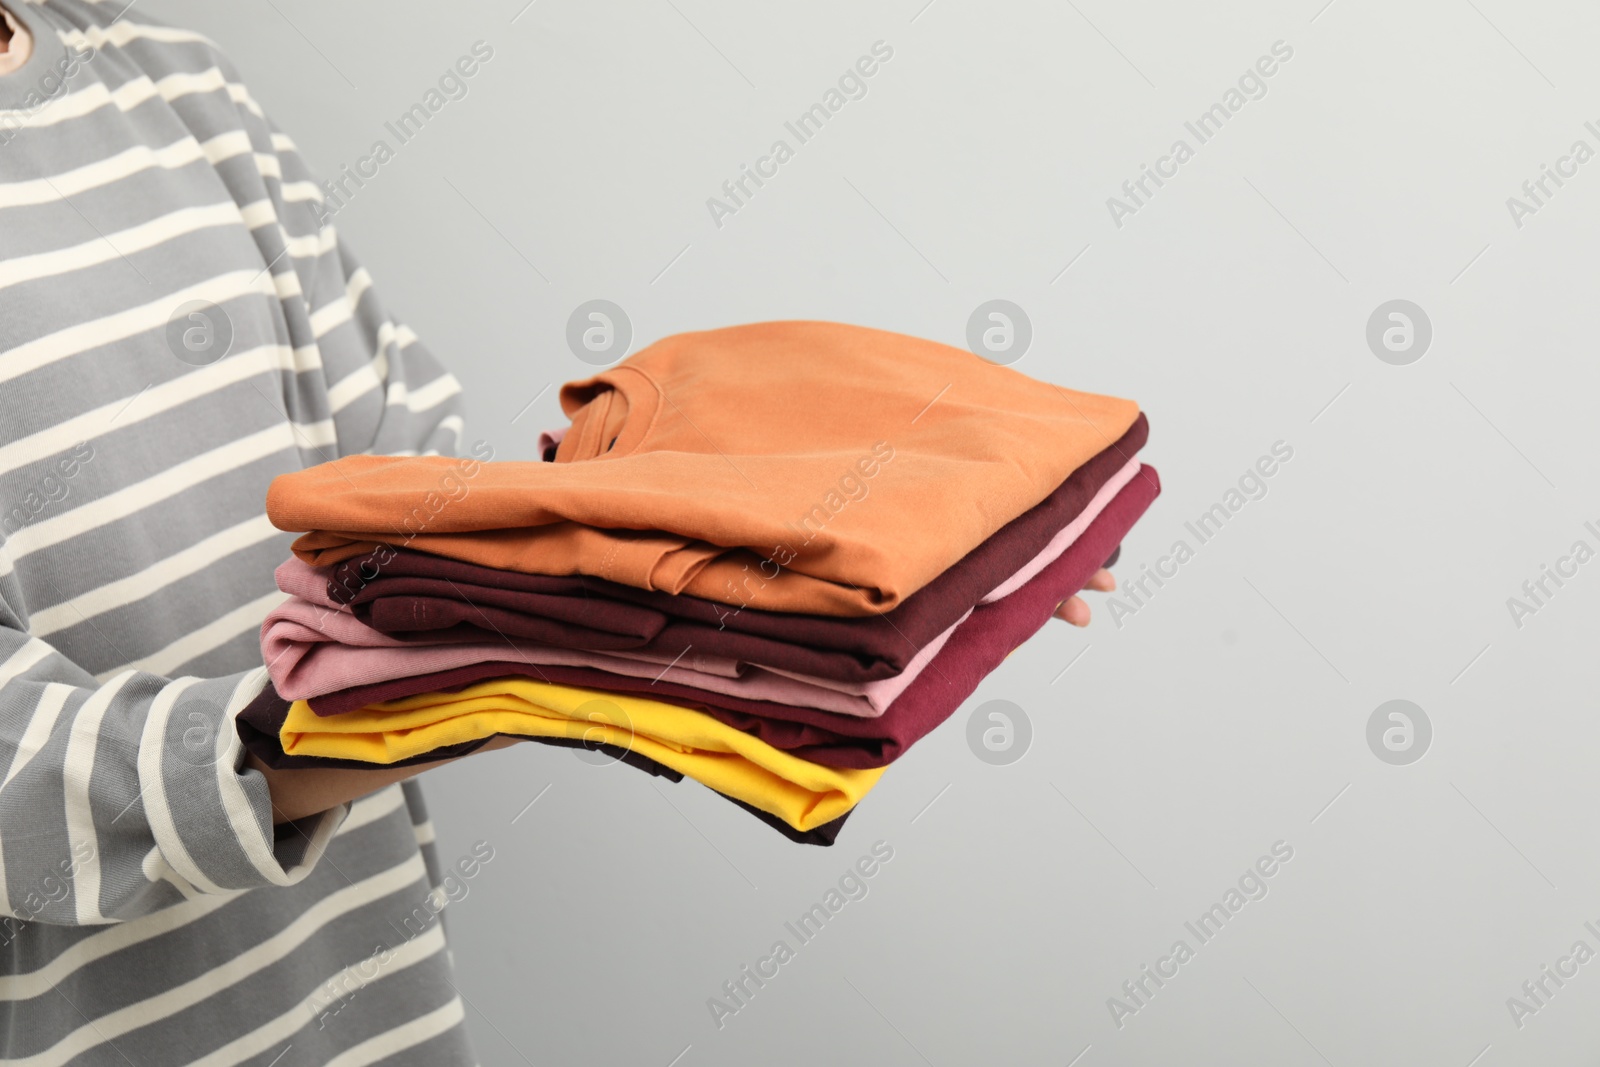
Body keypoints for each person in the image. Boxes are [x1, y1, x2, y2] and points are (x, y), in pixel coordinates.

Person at [0, 2, 1113, 1061]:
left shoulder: (168, 77)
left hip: (373, 1009)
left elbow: (406, 516)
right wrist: (578, 647)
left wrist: (914, 552)